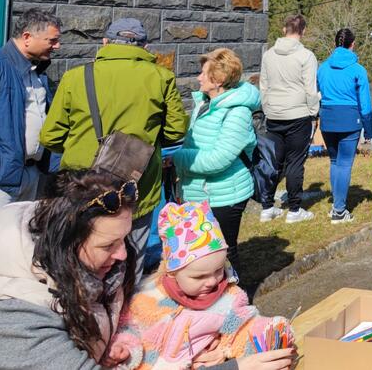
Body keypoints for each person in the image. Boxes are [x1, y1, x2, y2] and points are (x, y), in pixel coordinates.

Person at [0, 168, 294, 369]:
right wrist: (237, 368)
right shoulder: (14, 318)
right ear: (65, 243)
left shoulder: (91, 274)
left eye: (125, 239)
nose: (122, 255)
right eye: (107, 245)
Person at [42, 17, 188, 281]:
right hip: (136, 181)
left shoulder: (76, 77)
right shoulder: (161, 77)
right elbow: (176, 132)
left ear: (106, 42)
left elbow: (50, 136)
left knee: (76, 253)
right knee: (130, 260)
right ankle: (122, 313)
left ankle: (74, 311)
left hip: (83, 184)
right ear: (144, 46)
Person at [111, 201, 292, 369]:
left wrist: (270, 332)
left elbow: (244, 328)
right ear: (172, 272)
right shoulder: (147, 298)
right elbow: (129, 327)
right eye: (200, 277)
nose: (213, 281)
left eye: (219, 270)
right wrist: (124, 347)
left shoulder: (228, 298)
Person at [173, 49, 260, 279]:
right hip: (201, 193)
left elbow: (219, 159)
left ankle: (238, 304)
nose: (199, 78)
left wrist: (176, 160)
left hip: (224, 196)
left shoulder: (237, 112)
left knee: (225, 254)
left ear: (218, 80)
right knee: (204, 254)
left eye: (204, 73)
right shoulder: (204, 102)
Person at [0, 8, 61, 211]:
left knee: (20, 237)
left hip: (32, 173)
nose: (57, 46)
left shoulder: (38, 72)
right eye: (51, 41)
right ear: (27, 37)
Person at [258, 14, 320, 225]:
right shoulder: (306, 56)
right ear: (303, 32)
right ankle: (294, 209)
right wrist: (313, 111)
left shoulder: (268, 55)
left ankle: (267, 206)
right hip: (298, 113)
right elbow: (310, 89)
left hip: (274, 113)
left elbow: (263, 86)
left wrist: (267, 107)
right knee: (295, 161)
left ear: (284, 29)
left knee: (273, 161)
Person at [317, 27, 372, 224]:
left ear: (335, 44)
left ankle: (336, 205)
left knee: (334, 162)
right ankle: (339, 210)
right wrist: (369, 128)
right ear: (353, 44)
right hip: (350, 120)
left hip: (327, 118)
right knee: (344, 164)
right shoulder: (358, 70)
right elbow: (365, 103)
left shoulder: (322, 68)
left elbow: (317, 92)